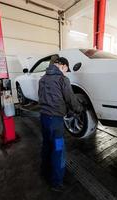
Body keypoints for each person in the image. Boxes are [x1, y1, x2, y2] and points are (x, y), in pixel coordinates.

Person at [38, 57, 83, 192]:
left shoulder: (43, 79)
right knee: (58, 150)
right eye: (66, 69)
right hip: (56, 122)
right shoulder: (63, 80)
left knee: (47, 145)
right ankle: (56, 183)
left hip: (44, 119)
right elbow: (70, 100)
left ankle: (44, 172)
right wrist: (80, 109)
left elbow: (41, 96)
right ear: (62, 66)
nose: (66, 72)